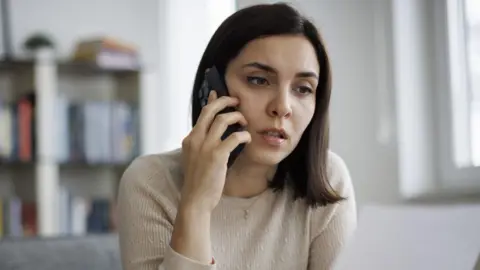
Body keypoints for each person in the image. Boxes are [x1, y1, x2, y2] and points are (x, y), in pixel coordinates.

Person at [117, 3, 357, 270]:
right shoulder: (150, 182)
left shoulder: (328, 177)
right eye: (259, 80)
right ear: (213, 87)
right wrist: (196, 205)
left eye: (303, 89)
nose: (283, 107)